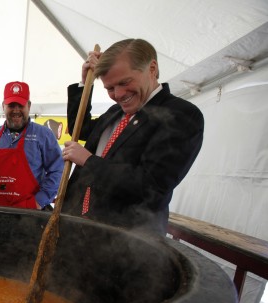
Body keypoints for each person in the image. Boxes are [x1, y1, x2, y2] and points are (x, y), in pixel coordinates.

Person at [60, 38, 204, 235]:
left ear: (152, 69)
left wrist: (88, 160)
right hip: (78, 229)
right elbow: (82, 129)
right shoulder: (116, 112)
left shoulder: (181, 114)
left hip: (128, 243)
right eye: (110, 88)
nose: (118, 95)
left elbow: (151, 186)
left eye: (124, 82)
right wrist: (85, 84)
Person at [0, 81, 63, 210]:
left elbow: (58, 170)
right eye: (11, 105)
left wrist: (39, 201)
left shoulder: (43, 135)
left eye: (20, 105)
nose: (16, 110)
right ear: (3, 106)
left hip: (29, 214)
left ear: (29, 106)